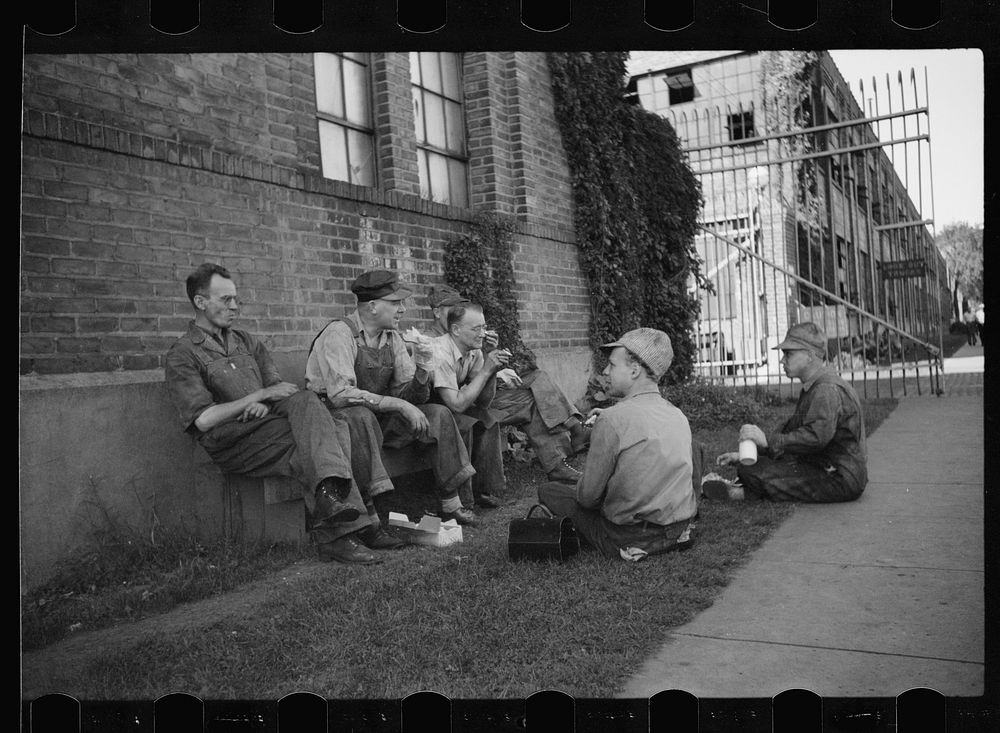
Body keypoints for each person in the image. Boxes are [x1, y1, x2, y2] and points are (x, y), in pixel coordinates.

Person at [164, 263, 379, 565]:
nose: (235, 306)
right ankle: (347, 528)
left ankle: (334, 512)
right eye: (226, 300)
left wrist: (265, 400)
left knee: (309, 405)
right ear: (200, 302)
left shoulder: (246, 341)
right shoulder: (182, 354)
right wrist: (258, 396)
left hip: (269, 426)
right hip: (233, 442)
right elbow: (203, 420)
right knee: (327, 432)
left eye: (236, 299)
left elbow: (278, 389)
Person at [305, 269, 479, 528]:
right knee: (361, 416)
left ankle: (452, 503)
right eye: (396, 303)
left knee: (438, 414)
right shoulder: (340, 333)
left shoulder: (392, 337)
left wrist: (422, 368)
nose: (403, 310)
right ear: (373, 306)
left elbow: (409, 395)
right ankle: (370, 515)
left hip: (379, 417)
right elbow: (341, 395)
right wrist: (399, 405)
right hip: (338, 423)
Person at [536, 328, 698, 560]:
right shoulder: (677, 415)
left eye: (612, 365)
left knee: (550, 491)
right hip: (679, 529)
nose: (605, 371)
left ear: (634, 370)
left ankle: (625, 545)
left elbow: (587, 498)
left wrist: (604, 430)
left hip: (629, 536)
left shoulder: (612, 420)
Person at [430, 303, 590, 509]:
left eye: (484, 327)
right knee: (483, 420)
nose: (483, 334)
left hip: (464, 406)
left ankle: (557, 465)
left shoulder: (473, 350)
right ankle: (471, 498)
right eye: (476, 329)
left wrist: (490, 362)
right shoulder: (440, 351)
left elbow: (484, 401)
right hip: (439, 412)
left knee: (530, 401)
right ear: (455, 330)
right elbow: (457, 405)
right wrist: (487, 371)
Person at [713, 322, 868, 503]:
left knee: (751, 471)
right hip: (830, 469)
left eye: (789, 354)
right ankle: (747, 491)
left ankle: (741, 493)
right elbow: (794, 432)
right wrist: (755, 451)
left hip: (839, 478)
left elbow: (815, 438)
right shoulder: (817, 385)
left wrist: (768, 442)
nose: (782, 360)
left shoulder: (826, 390)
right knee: (752, 467)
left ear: (810, 356)